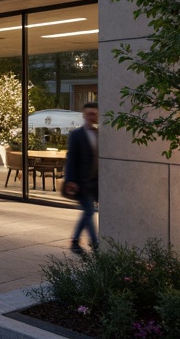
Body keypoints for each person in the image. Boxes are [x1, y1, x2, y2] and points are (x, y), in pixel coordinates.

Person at [64, 102, 100, 256]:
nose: (93, 117)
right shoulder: (76, 135)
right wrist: (70, 180)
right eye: (90, 114)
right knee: (89, 211)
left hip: (95, 181)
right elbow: (71, 158)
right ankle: (93, 243)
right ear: (84, 115)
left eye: (95, 114)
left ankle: (78, 242)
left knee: (88, 212)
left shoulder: (99, 134)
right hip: (81, 181)